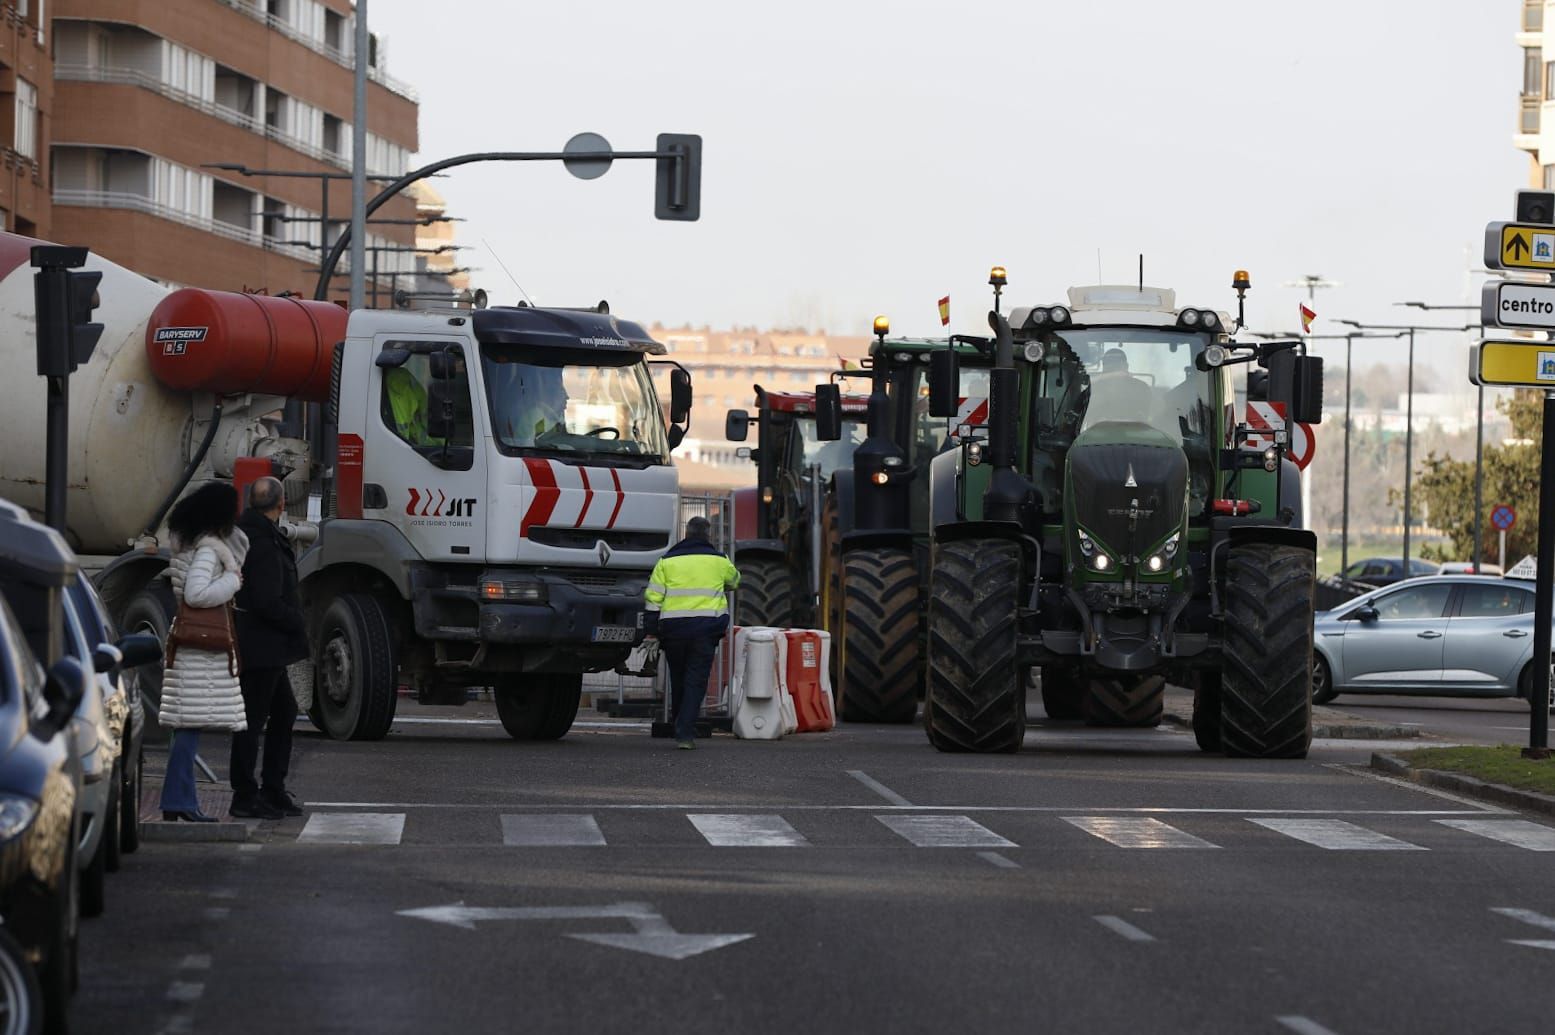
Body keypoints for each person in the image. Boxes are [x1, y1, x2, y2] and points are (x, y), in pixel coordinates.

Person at [160, 482, 249, 822]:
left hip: (190, 647)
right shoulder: (209, 551)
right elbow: (196, 595)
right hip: (200, 651)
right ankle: (179, 801)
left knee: (186, 729)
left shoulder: (189, 545)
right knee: (188, 731)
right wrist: (233, 581)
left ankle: (178, 800)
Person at [230, 476, 310, 820]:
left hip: (265, 647)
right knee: (253, 720)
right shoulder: (262, 543)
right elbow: (267, 600)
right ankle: (245, 794)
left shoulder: (252, 534)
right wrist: (297, 621)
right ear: (281, 504)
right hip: (263, 646)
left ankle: (272, 789)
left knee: (283, 712)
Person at [643, 517, 741, 749]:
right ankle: (685, 734)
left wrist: (651, 631)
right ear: (709, 535)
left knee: (678, 680)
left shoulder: (666, 561)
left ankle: (681, 724)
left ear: (685, 534)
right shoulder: (719, 560)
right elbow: (735, 581)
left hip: (673, 631)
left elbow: (653, 598)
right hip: (705, 630)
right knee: (695, 681)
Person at [1086, 348, 1153, 425]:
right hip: (1096, 432)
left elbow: (1144, 418)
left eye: (1115, 365)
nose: (1112, 368)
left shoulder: (1141, 388)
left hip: (1134, 431)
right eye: (1108, 364)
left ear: (1126, 366)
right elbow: (1087, 418)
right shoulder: (1093, 388)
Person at [384, 366, 431, 445]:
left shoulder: (379, 380)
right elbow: (426, 412)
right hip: (404, 443)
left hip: (393, 442)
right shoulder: (410, 382)